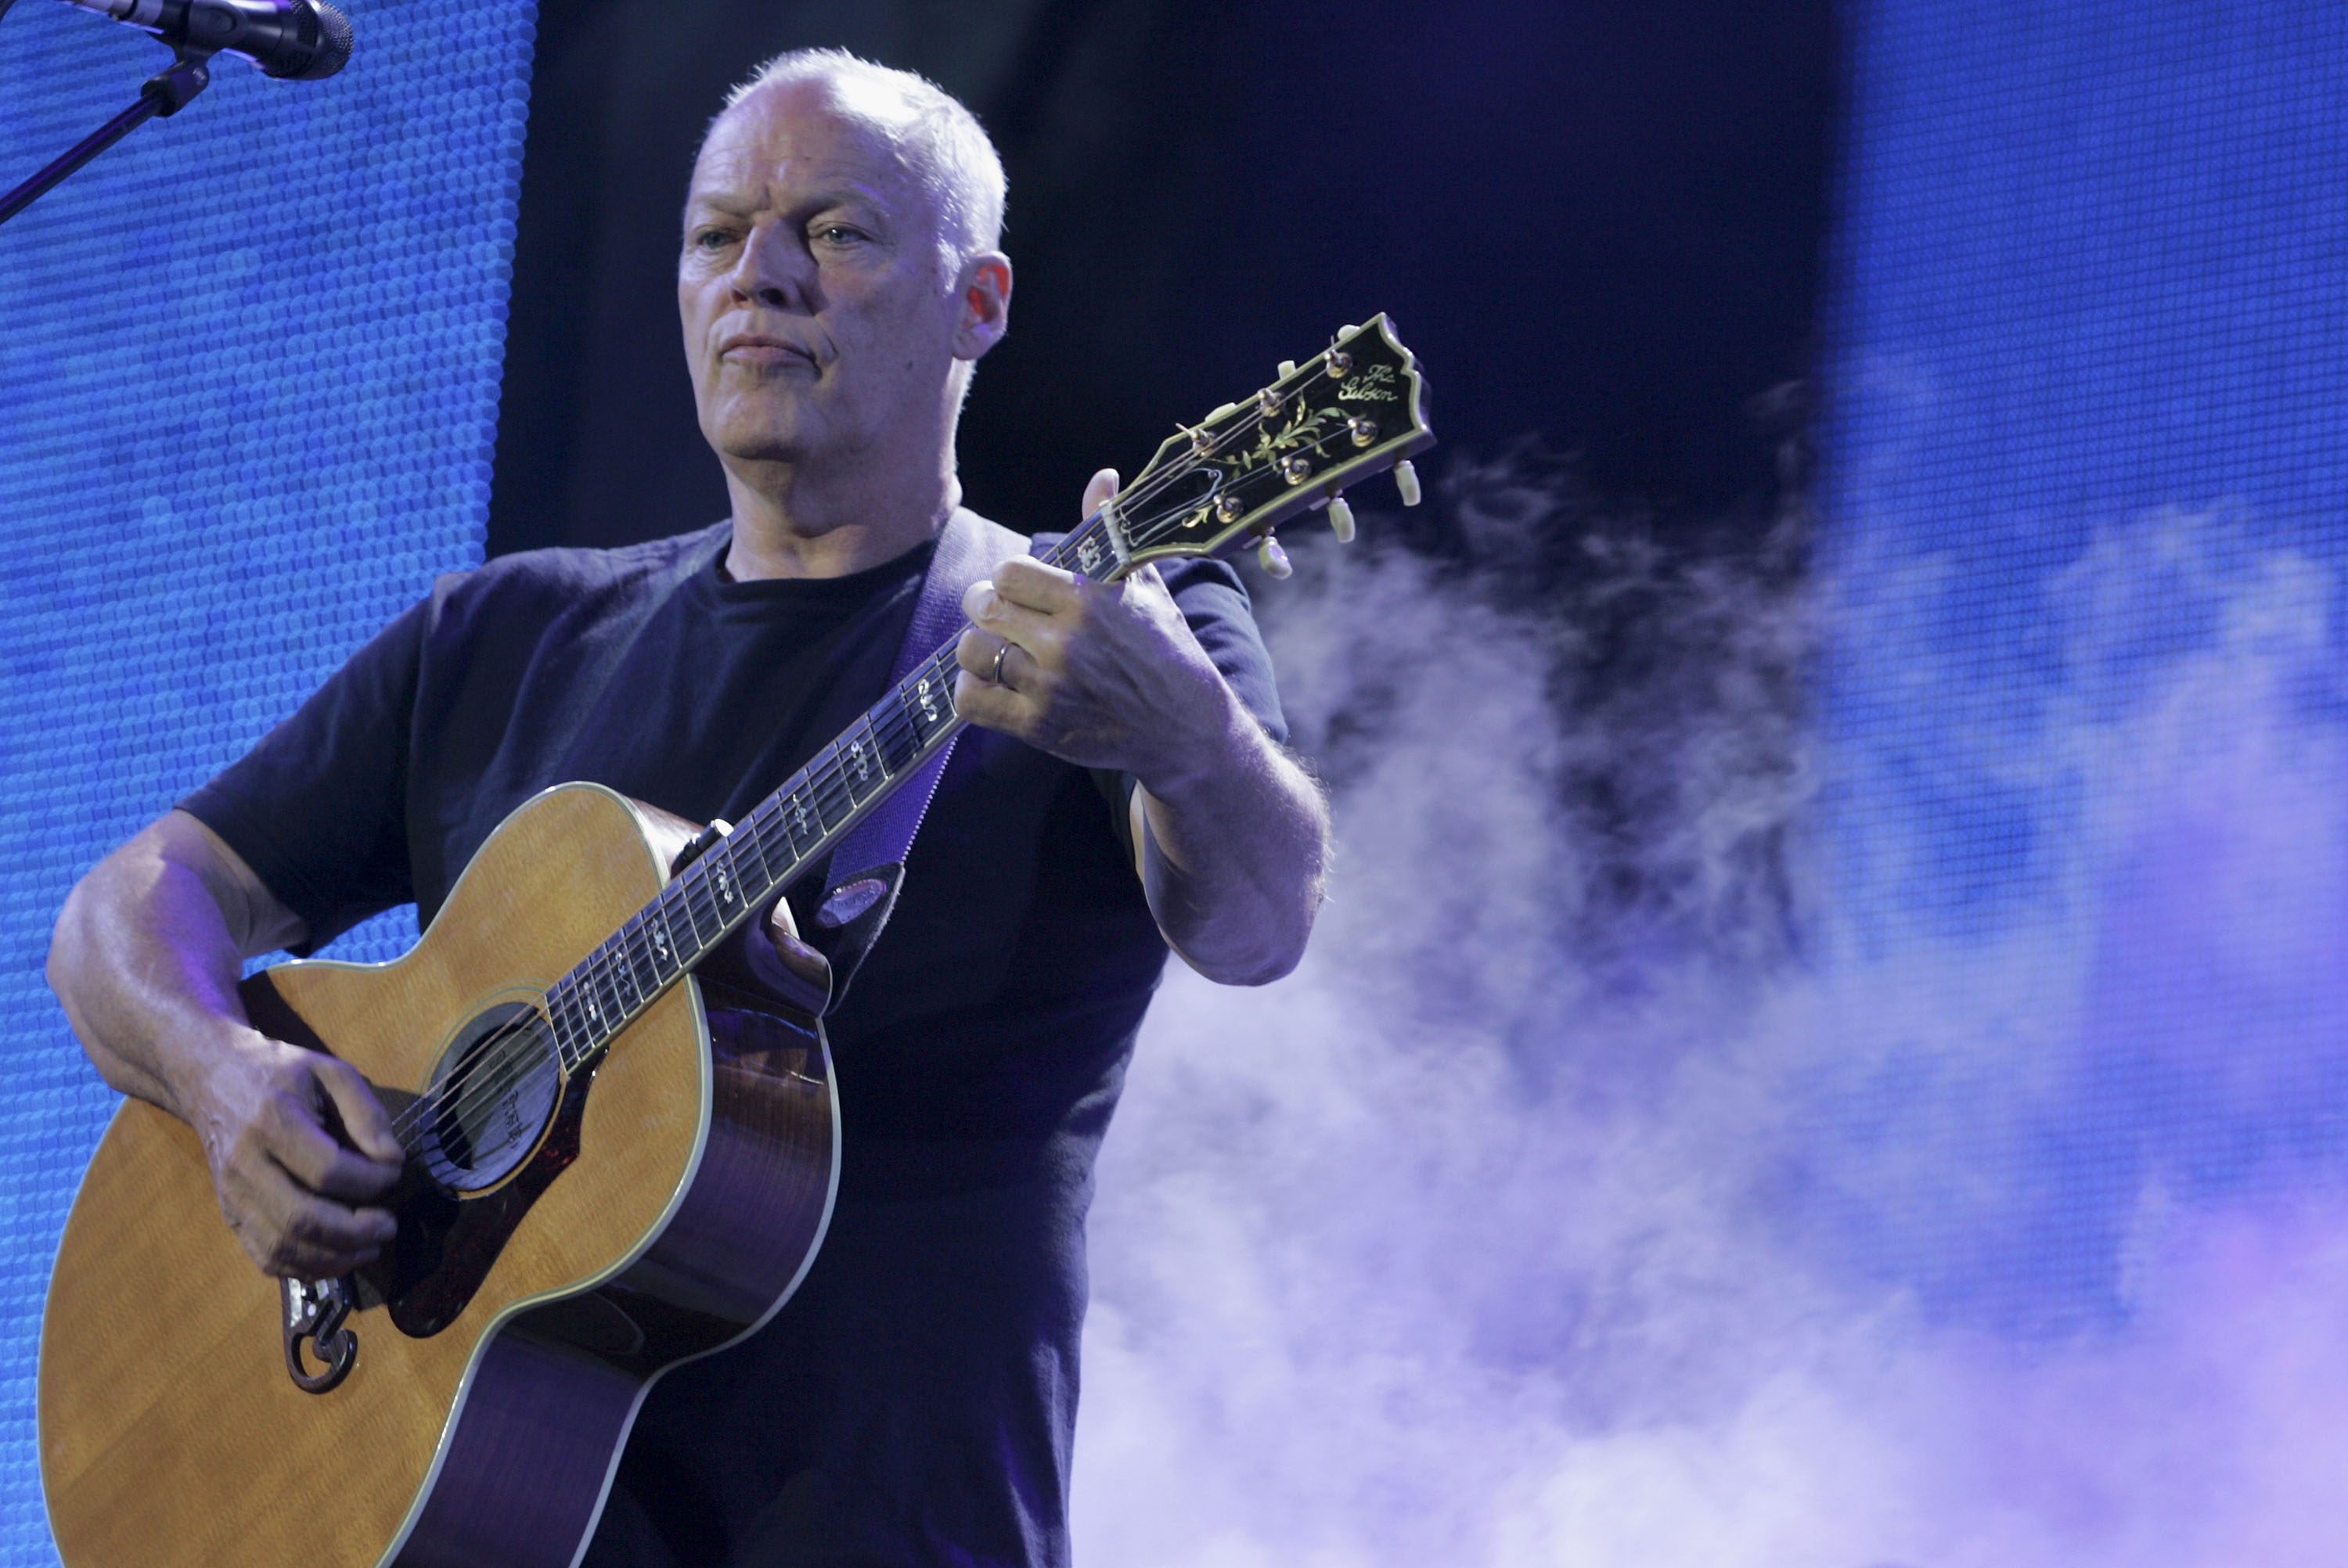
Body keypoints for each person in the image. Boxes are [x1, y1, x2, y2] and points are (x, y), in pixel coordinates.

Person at [44, 48, 1327, 1568]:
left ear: (977, 301)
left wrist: (1186, 735)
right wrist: (221, 1079)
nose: (759, 276)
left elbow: (1261, 923)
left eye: (834, 233)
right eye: (718, 236)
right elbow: (131, 905)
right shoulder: (506, 638)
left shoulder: (1109, 622)